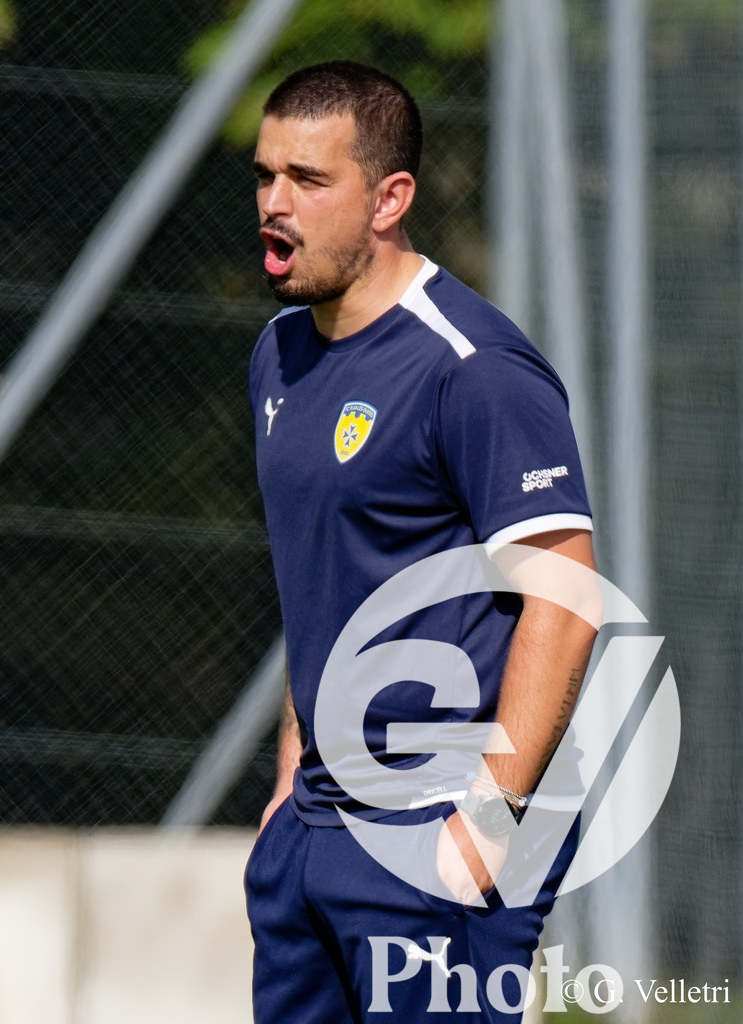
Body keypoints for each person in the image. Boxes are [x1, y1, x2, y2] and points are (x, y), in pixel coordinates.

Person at [245, 60, 599, 1023]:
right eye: (266, 175)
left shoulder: (474, 367)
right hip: (314, 826)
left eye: (309, 181)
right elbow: (325, 580)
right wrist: (289, 789)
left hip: (439, 814)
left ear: (389, 197)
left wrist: (480, 831)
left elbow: (564, 603)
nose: (276, 204)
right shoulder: (278, 355)